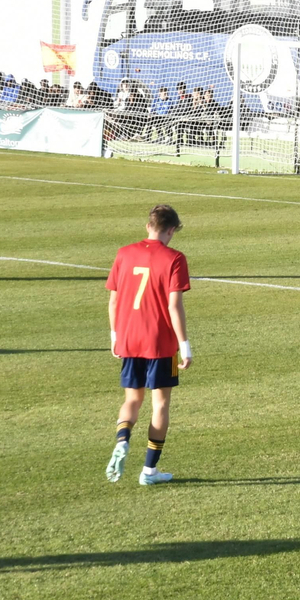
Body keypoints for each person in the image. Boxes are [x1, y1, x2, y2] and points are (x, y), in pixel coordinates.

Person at [105, 204, 193, 486]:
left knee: (132, 399)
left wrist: (115, 336)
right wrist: (185, 345)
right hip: (160, 342)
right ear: (171, 230)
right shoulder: (174, 258)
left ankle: (122, 439)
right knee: (160, 404)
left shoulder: (124, 253)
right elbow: (174, 305)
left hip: (129, 337)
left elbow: (114, 300)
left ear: (147, 226)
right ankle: (149, 471)